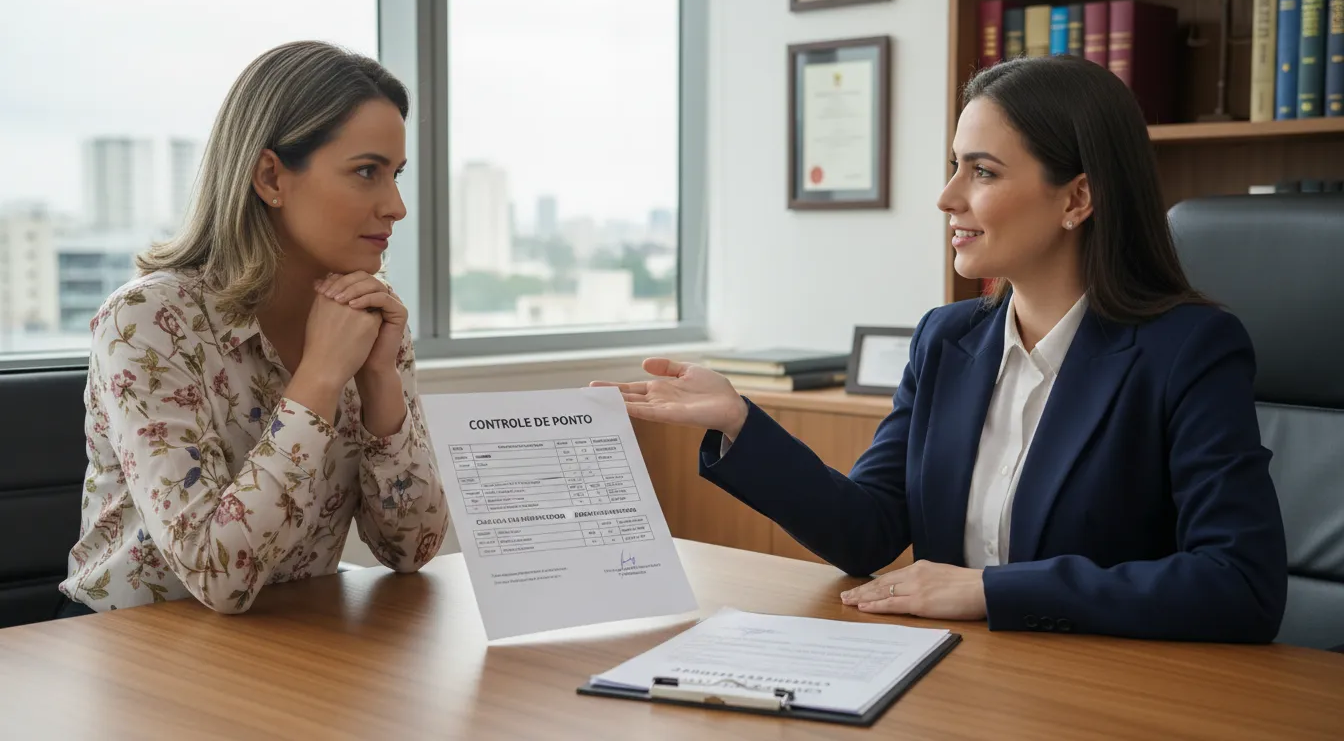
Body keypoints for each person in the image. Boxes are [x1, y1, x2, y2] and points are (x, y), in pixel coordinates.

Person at [594, 55, 1289, 643]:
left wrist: (990, 591)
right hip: (951, 675)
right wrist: (739, 421)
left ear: (1077, 198)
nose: (946, 197)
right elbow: (866, 533)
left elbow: (1239, 583)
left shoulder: (1189, 350)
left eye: (981, 172)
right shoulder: (947, 339)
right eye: (955, 166)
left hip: (1101, 694)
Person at [58, 41, 449, 616]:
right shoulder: (148, 322)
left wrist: (380, 382)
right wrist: (318, 376)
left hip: (289, 638)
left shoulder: (366, 315)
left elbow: (411, 547)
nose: (396, 206)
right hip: (136, 652)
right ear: (271, 175)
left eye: (396, 175)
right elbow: (218, 575)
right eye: (367, 172)